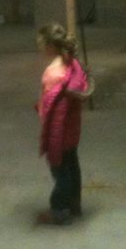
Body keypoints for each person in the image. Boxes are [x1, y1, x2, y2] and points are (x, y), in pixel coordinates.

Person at [36, 23, 90, 225]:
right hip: (72, 130)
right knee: (72, 166)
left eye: (41, 44)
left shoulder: (53, 74)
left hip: (59, 133)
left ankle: (59, 209)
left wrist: (52, 143)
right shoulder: (73, 65)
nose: (40, 48)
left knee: (60, 171)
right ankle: (74, 204)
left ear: (50, 46)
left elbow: (55, 113)